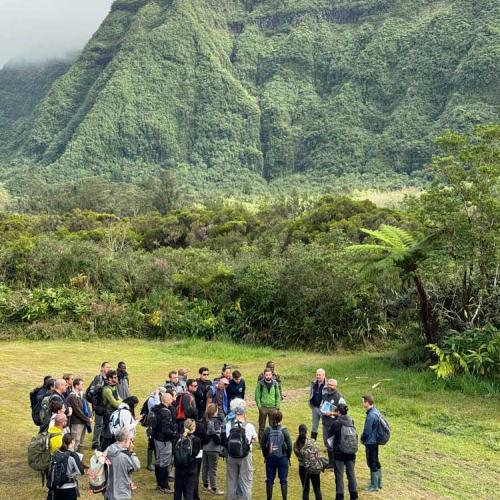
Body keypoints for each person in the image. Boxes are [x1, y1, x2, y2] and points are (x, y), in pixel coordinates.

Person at [225, 400, 257, 500]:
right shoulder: (249, 426)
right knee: (246, 482)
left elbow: (227, 438)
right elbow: (256, 439)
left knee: (231, 482)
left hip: (231, 456)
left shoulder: (228, 425)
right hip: (245, 456)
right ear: (244, 413)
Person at [328, 404, 358, 500]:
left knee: (339, 475)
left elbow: (329, 437)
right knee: (351, 474)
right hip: (351, 453)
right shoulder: (351, 421)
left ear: (338, 412)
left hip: (339, 453)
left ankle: (340, 496)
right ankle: (354, 495)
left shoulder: (336, 424)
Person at [261, 410, 292, 500]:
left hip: (270, 458)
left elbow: (263, 445)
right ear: (281, 419)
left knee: (269, 480)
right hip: (283, 458)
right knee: (283, 480)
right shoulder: (284, 431)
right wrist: (288, 456)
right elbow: (290, 445)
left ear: (271, 418)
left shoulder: (267, 430)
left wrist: (266, 455)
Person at [105, 427, 141, 500]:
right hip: (122, 493)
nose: (132, 441)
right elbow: (137, 466)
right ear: (125, 440)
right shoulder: (127, 456)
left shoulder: (108, 449)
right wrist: (131, 452)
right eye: (130, 439)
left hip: (109, 491)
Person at [152, 392, 177, 494]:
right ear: (167, 400)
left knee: (159, 462)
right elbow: (166, 429)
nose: (173, 400)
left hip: (157, 439)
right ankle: (163, 485)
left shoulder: (156, 409)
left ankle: (159, 483)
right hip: (164, 441)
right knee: (164, 463)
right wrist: (175, 434)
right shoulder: (166, 412)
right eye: (171, 398)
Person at [47, 433, 84, 500]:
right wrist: (72, 473)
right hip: (69, 488)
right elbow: (81, 472)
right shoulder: (73, 455)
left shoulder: (56, 453)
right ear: (72, 442)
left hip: (57, 487)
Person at [174, 418, 201, 500]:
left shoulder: (178, 437)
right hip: (191, 467)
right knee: (189, 491)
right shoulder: (197, 440)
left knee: (178, 490)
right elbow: (196, 454)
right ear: (193, 428)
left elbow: (174, 451)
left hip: (179, 467)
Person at [293, 424, 323, 500]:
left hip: (303, 468)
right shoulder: (312, 442)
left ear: (299, 431)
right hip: (314, 466)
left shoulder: (296, 445)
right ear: (306, 432)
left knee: (305, 490)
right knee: (317, 490)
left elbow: (298, 456)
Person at [87, 361, 111, 450]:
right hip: (99, 406)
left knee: (105, 424)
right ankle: (95, 443)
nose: (109, 369)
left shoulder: (109, 378)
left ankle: (102, 441)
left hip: (106, 407)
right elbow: (92, 392)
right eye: (107, 367)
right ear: (102, 368)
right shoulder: (98, 378)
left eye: (110, 367)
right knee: (99, 424)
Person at [321, 379, 346, 464]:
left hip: (334, 425)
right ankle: (331, 463)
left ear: (335, 386)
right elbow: (321, 406)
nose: (329, 386)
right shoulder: (324, 395)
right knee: (327, 442)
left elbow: (343, 412)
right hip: (325, 423)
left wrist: (332, 413)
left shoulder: (339, 397)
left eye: (332, 385)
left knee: (334, 443)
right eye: (328, 384)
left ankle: (336, 462)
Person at [361, 395, 382, 493]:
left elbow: (367, 431)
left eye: (363, 402)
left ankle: (374, 486)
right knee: (376, 461)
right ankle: (379, 483)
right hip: (376, 441)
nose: (362, 403)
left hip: (370, 442)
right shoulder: (376, 411)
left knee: (372, 463)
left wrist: (362, 439)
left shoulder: (371, 415)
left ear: (367, 402)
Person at [202, 403, 224, 496]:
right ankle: (214, 488)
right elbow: (218, 434)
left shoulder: (205, 421)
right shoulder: (217, 422)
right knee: (213, 469)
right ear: (215, 412)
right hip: (213, 448)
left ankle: (206, 485)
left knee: (205, 467)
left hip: (205, 447)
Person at [255, 368, 281, 441]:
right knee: (262, 426)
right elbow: (257, 396)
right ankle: (261, 442)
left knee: (273, 425)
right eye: (266, 375)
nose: (268, 376)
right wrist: (260, 407)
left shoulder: (275, 384)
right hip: (263, 407)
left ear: (272, 375)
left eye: (269, 375)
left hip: (273, 407)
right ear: (264, 375)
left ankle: (272, 441)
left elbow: (278, 396)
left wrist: (277, 406)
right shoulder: (260, 384)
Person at [67, 378, 92, 452]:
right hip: (76, 422)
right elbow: (77, 411)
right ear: (76, 386)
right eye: (81, 384)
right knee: (75, 441)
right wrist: (87, 419)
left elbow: (87, 406)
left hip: (83, 421)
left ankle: (78, 458)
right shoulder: (72, 396)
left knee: (81, 440)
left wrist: (90, 416)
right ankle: (72, 457)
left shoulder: (82, 394)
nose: (83, 386)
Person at [99, 370, 122, 451]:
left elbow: (119, 399)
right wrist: (119, 402)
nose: (116, 379)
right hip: (108, 415)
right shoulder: (106, 390)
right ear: (109, 379)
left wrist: (119, 402)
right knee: (107, 436)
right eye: (115, 377)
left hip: (114, 414)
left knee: (114, 435)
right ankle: (102, 453)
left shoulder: (114, 387)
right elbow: (115, 403)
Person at [309, 369, 326, 440]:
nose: (318, 376)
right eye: (317, 375)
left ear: (324, 375)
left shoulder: (327, 385)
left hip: (324, 409)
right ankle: (312, 443)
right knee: (314, 426)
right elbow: (311, 393)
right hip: (315, 408)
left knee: (326, 427)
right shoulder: (313, 383)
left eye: (319, 375)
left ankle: (328, 445)